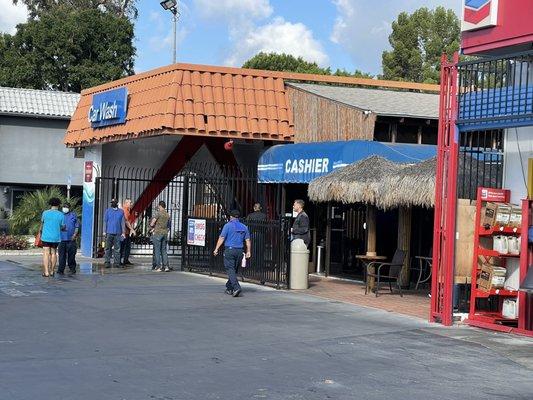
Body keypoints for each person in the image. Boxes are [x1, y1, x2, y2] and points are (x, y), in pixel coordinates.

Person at [213, 210, 251, 297]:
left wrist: (216, 249)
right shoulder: (244, 227)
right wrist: (248, 251)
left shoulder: (228, 226)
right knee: (234, 270)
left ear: (231, 217)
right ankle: (229, 287)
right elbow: (247, 240)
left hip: (229, 250)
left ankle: (236, 287)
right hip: (240, 251)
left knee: (230, 269)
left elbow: (222, 238)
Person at [39, 197, 64, 277]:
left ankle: (46, 272)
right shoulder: (61, 214)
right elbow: (63, 227)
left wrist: (40, 232)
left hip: (46, 236)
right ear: (59, 204)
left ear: (50, 204)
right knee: (54, 253)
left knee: (46, 253)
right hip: (56, 237)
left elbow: (42, 224)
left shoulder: (45, 213)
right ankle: (52, 271)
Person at [57, 202, 80, 275]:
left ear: (69, 208)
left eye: (66, 207)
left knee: (71, 256)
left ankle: (72, 269)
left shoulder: (73, 215)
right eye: (64, 207)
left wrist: (75, 234)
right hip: (61, 239)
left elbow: (77, 226)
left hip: (71, 239)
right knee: (61, 256)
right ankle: (60, 270)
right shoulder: (60, 215)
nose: (65, 208)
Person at [104, 198, 126, 268]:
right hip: (109, 232)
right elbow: (105, 221)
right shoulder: (108, 211)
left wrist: (123, 232)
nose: (112, 204)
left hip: (118, 232)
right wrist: (104, 231)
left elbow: (123, 222)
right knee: (108, 248)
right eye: (112, 202)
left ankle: (117, 263)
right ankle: (107, 262)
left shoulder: (121, 212)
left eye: (114, 202)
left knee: (117, 249)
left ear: (117, 203)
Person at [150, 201, 170, 272]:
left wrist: (153, 227)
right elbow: (168, 226)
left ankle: (158, 267)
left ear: (160, 206)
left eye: (158, 206)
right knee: (164, 250)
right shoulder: (167, 215)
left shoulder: (158, 214)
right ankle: (166, 266)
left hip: (158, 233)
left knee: (157, 251)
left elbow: (152, 223)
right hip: (164, 234)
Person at [247, 203, 266, 270]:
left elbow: (247, 225)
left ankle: (251, 266)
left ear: (254, 208)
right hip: (261, 234)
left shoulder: (250, 215)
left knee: (252, 250)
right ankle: (259, 267)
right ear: (260, 208)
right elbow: (266, 226)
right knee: (260, 251)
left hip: (252, 234)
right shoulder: (264, 216)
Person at [120, 198, 136, 266]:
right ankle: (120, 261)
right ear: (126, 203)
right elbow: (126, 222)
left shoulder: (127, 210)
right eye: (130, 203)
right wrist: (132, 229)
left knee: (127, 246)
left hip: (127, 232)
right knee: (123, 247)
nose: (131, 204)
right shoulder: (125, 210)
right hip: (124, 232)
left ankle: (125, 260)